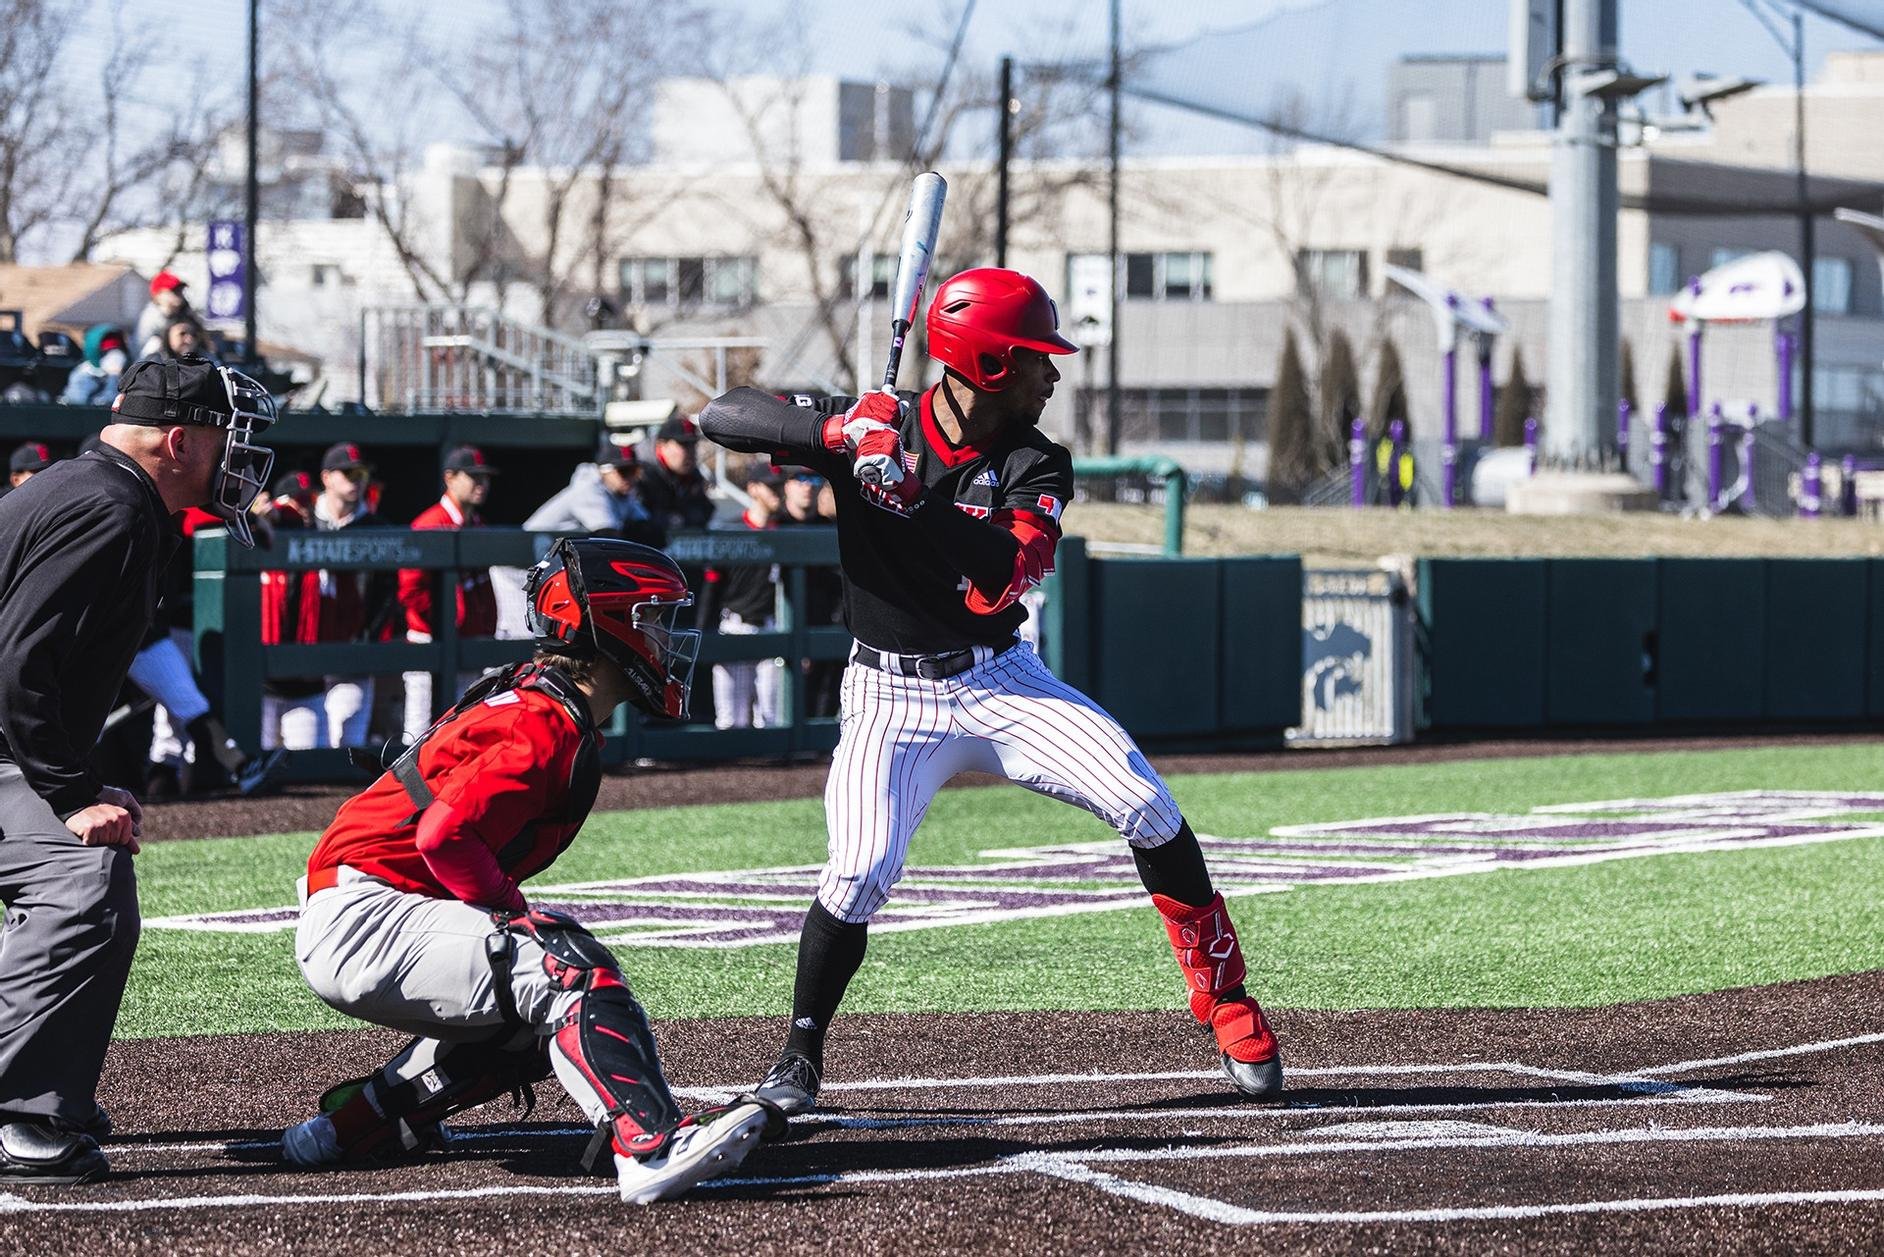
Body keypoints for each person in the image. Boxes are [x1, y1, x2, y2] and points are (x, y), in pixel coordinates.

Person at [699, 267, 1284, 1116]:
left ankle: (1225, 998)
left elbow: (1006, 572)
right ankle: (799, 1054)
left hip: (998, 678)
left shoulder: (1036, 459)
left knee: (1144, 800)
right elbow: (724, 415)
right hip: (886, 695)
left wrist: (913, 499)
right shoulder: (878, 423)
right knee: (859, 870)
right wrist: (834, 433)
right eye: (1039, 359)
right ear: (992, 364)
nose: (1053, 375)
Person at [282, 538, 774, 1203]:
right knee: (567, 967)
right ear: (609, 623)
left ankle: (351, 1126)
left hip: (360, 904)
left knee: (526, 1018)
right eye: (653, 617)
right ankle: (651, 1145)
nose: (665, 635)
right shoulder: (543, 721)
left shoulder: (540, 700)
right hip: (366, 914)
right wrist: (512, 910)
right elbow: (443, 832)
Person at [0, 354, 277, 1183]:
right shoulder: (109, 507)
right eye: (230, 438)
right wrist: (72, 792)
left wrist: (74, 781)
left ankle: (44, 1086)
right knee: (83, 882)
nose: (239, 458)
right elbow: (15, 666)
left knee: (97, 878)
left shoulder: (89, 490)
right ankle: (19, 1113)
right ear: (180, 441)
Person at [293, 443, 394, 750]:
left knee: (348, 744)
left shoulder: (377, 528)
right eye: (348, 473)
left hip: (351, 651)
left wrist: (368, 639)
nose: (357, 480)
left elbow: (386, 596)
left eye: (361, 473)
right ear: (326, 477)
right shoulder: (302, 519)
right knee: (303, 748)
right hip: (303, 654)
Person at [398, 446, 499, 745]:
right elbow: (411, 591)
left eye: (485, 477)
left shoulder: (479, 525)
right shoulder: (430, 522)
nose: (482, 484)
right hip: (430, 638)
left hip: (468, 639)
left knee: (464, 726)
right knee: (419, 731)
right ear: (450, 478)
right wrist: (448, 621)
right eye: (474, 477)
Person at [700, 465, 784, 729]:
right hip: (735, 626)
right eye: (771, 487)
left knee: (771, 720)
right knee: (730, 722)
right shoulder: (732, 530)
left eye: (779, 486)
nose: (777, 493)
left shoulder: (784, 532)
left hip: (771, 627)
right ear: (753, 488)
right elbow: (711, 588)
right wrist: (704, 631)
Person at [774, 467, 845, 718]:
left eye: (814, 479)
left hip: (827, 623)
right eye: (800, 479)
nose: (808, 486)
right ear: (787, 486)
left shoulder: (833, 529)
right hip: (777, 625)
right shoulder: (774, 525)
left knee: (827, 696)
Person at [523, 430, 660, 542]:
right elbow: (608, 537)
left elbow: (648, 530)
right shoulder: (588, 489)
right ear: (604, 471)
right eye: (623, 471)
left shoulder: (622, 493)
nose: (630, 478)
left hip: (550, 565)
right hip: (518, 565)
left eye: (634, 471)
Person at [635, 416, 714, 533]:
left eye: (693, 444)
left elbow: (704, 512)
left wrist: (680, 519)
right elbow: (641, 521)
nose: (691, 452)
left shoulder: (690, 475)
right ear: (661, 446)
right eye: (684, 445)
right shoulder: (637, 473)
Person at [57, 327, 129, 406]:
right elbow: (103, 403)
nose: (115, 356)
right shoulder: (82, 375)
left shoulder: (131, 372)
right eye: (107, 352)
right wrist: (113, 377)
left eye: (117, 349)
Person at [133, 271, 192, 351]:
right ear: (158, 295)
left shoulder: (186, 311)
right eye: (173, 290)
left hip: (178, 359)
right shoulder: (150, 317)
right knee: (155, 343)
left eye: (180, 290)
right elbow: (138, 349)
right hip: (152, 359)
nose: (178, 294)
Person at [143, 314, 215, 364]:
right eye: (182, 334)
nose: (189, 340)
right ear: (168, 336)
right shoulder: (154, 363)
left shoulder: (206, 362)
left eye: (194, 335)